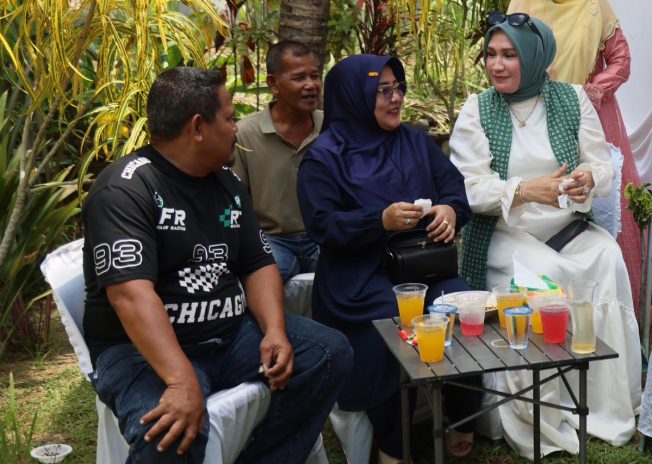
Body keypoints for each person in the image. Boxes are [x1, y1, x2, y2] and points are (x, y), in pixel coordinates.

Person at [81, 66, 352, 464]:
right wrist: (180, 379)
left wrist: (275, 330)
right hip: (142, 352)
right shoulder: (125, 190)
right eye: (228, 118)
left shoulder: (225, 183)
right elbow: (130, 296)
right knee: (170, 432)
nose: (236, 128)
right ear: (197, 127)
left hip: (229, 336)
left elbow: (258, 263)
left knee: (327, 353)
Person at [448, 15, 641, 460]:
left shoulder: (572, 99)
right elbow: (469, 188)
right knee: (548, 277)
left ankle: (605, 402)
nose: (496, 65)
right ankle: (546, 413)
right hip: (504, 231)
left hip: (566, 226)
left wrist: (588, 179)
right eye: (491, 54)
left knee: (607, 257)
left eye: (509, 55)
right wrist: (522, 191)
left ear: (535, 57)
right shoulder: (478, 109)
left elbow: (602, 165)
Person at [297, 54, 482, 463]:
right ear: (354, 96)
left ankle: (461, 415)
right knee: (393, 327)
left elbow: (454, 187)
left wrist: (450, 209)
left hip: (425, 265)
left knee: (461, 306)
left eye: (399, 87)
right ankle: (393, 444)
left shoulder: (414, 141)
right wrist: (378, 220)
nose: (396, 97)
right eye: (382, 90)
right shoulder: (324, 158)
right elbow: (322, 225)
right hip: (358, 278)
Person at [507, 0, 644, 314]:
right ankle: (542, 306)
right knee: (535, 199)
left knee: (598, 199)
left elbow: (621, 60)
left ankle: (603, 310)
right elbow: (508, 54)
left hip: (589, 112)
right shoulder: (523, 3)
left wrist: (593, 91)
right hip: (531, 109)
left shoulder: (594, 5)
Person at [233, 40, 322, 283]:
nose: (311, 85)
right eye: (299, 77)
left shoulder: (331, 128)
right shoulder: (244, 134)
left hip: (323, 235)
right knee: (267, 278)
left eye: (315, 76)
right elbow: (235, 202)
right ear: (273, 83)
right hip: (270, 239)